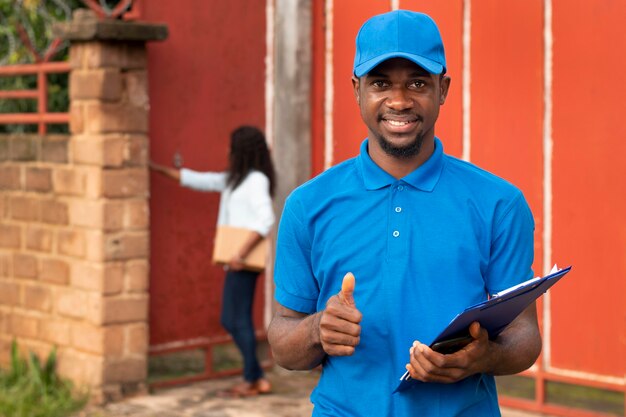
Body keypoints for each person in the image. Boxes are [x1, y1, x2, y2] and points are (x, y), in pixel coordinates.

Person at [267, 10, 541, 417]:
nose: (399, 101)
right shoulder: (308, 205)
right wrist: (317, 329)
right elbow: (282, 341)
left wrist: (484, 357)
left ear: (443, 89)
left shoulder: (499, 203)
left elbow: (525, 336)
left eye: (417, 82)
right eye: (381, 83)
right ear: (356, 89)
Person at [151, 125, 275, 397]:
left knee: (236, 319)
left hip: (242, 261)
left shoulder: (256, 181)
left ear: (241, 150)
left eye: (231, 146)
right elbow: (201, 180)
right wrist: (156, 169)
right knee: (232, 319)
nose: (227, 150)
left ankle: (254, 377)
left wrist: (240, 254)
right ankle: (256, 377)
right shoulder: (236, 179)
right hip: (235, 261)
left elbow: (265, 219)